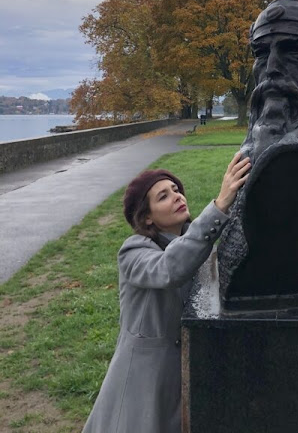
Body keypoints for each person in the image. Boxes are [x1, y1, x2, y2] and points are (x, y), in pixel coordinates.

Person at [82, 152, 250, 433]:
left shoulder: (191, 245)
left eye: (176, 190)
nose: (176, 196)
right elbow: (169, 268)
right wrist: (219, 206)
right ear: (147, 219)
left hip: (181, 377)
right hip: (142, 382)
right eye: (163, 196)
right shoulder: (133, 252)